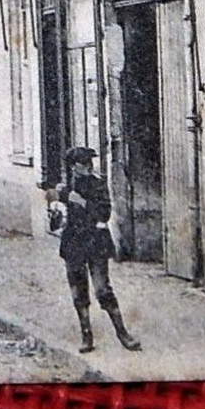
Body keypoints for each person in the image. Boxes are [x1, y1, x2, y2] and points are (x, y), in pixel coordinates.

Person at [56, 146, 141, 353]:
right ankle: (87, 336)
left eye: (89, 163)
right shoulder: (65, 188)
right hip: (73, 243)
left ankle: (123, 334)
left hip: (95, 242)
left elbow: (104, 213)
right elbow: (58, 217)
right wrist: (58, 206)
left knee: (102, 289)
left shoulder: (98, 184)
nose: (88, 166)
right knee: (78, 290)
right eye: (84, 163)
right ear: (74, 167)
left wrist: (82, 202)